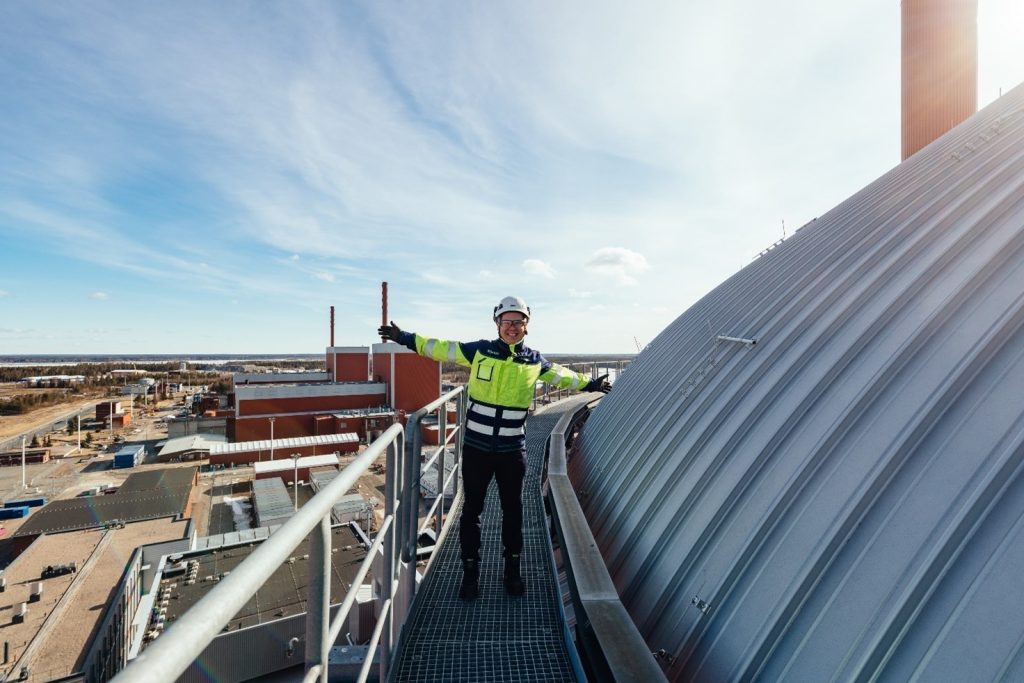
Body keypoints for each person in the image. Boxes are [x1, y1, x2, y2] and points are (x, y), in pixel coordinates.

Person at [378, 295, 611, 600]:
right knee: (471, 512)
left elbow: (562, 375)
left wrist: (590, 385)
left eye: (518, 322)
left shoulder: (533, 361)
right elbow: (440, 348)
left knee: (512, 512)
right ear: (498, 324)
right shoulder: (479, 351)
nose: (512, 327)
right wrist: (404, 338)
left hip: (512, 451)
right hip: (476, 448)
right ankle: (470, 574)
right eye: (507, 322)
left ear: (526, 326)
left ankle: (512, 573)